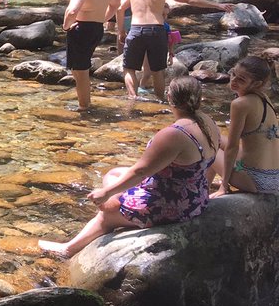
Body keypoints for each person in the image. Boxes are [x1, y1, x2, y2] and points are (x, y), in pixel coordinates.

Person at [39, 77, 219, 258]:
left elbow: (140, 172)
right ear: (199, 99)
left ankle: (69, 248)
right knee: (114, 173)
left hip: (172, 205)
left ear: (169, 96)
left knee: (107, 212)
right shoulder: (207, 122)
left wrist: (106, 193)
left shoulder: (174, 134)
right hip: (195, 197)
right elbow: (225, 149)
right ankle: (114, 211)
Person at [117, 0, 232, 99]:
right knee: (158, 71)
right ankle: (160, 101)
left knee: (129, 68)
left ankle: (132, 98)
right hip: (156, 30)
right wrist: (217, 5)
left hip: (136, 30)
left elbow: (119, 9)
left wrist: (121, 31)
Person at [63, 0, 121, 111]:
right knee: (79, 69)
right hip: (96, 29)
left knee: (80, 72)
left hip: (81, 29)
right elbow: (116, 4)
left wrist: (66, 26)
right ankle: (86, 102)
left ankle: (84, 108)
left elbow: (73, 10)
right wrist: (102, 19)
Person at [216, 56, 279, 194]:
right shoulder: (265, 98)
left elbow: (232, 147)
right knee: (215, 137)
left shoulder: (240, 104)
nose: (233, 80)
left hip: (257, 180)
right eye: (233, 74)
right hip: (275, 178)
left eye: (241, 79)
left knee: (207, 147)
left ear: (256, 84)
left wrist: (223, 185)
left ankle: (203, 194)